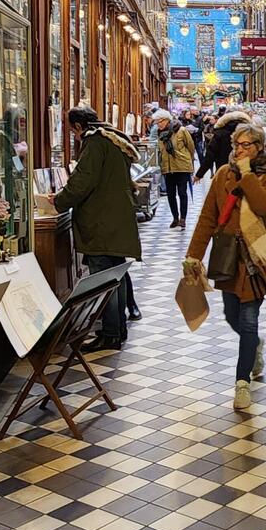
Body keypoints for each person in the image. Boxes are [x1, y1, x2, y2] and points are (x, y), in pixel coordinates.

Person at [182, 121, 266, 412]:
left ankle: (241, 383)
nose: (239, 150)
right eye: (236, 145)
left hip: (258, 257)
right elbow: (208, 218)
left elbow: (262, 206)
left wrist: (248, 173)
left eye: (245, 145)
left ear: (259, 146)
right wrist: (193, 255)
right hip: (228, 256)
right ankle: (255, 345)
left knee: (248, 319)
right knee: (231, 315)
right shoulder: (224, 174)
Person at [54, 107, 141, 352]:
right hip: (117, 219)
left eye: (72, 130)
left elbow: (83, 181)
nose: (73, 135)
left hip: (101, 221)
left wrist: (58, 201)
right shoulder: (114, 139)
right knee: (117, 274)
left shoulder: (94, 142)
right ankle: (118, 330)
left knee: (105, 278)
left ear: (78, 127)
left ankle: (111, 333)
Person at [153, 110, 196, 229]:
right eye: (156, 122)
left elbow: (191, 146)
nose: (158, 124)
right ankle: (175, 218)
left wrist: (188, 160)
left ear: (166, 120)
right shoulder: (160, 134)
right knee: (170, 195)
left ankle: (183, 219)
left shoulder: (181, 130)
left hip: (182, 167)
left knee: (182, 193)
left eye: (159, 122)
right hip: (168, 168)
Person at [196, 107, 249, 180]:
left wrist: (199, 174)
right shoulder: (250, 133)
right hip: (246, 173)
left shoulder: (220, 133)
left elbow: (210, 155)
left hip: (224, 172)